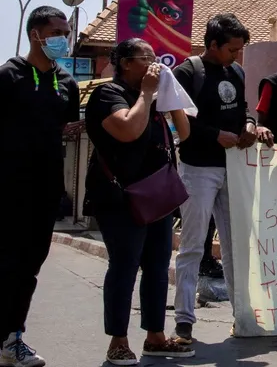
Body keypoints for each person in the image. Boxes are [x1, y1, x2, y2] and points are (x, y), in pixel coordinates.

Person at [83, 39, 194, 365]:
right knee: (124, 266)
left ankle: (155, 337)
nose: (153, 64)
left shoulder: (154, 99)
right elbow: (128, 130)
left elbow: (184, 133)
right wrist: (146, 93)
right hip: (120, 198)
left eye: (155, 57)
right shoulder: (108, 94)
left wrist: (171, 97)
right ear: (126, 63)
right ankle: (118, 341)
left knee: (158, 267)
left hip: (157, 196)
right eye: (146, 58)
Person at [0, 6, 80, 367]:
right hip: (7, 188)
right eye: (57, 32)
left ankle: (12, 339)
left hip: (46, 189)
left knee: (29, 267)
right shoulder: (8, 76)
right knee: (6, 264)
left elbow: (62, 128)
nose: (64, 39)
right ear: (36, 35)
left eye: (66, 33)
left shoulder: (68, 83)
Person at [171, 14, 258, 344]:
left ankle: (243, 316)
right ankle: (184, 320)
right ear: (212, 45)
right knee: (193, 244)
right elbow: (180, 120)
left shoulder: (236, 72)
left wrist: (249, 124)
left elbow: (243, 109)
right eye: (231, 50)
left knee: (236, 244)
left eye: (239, 50)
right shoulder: (187, 73)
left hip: (232, 167)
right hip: (198, 167)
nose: (236, 55)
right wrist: (214, 135)